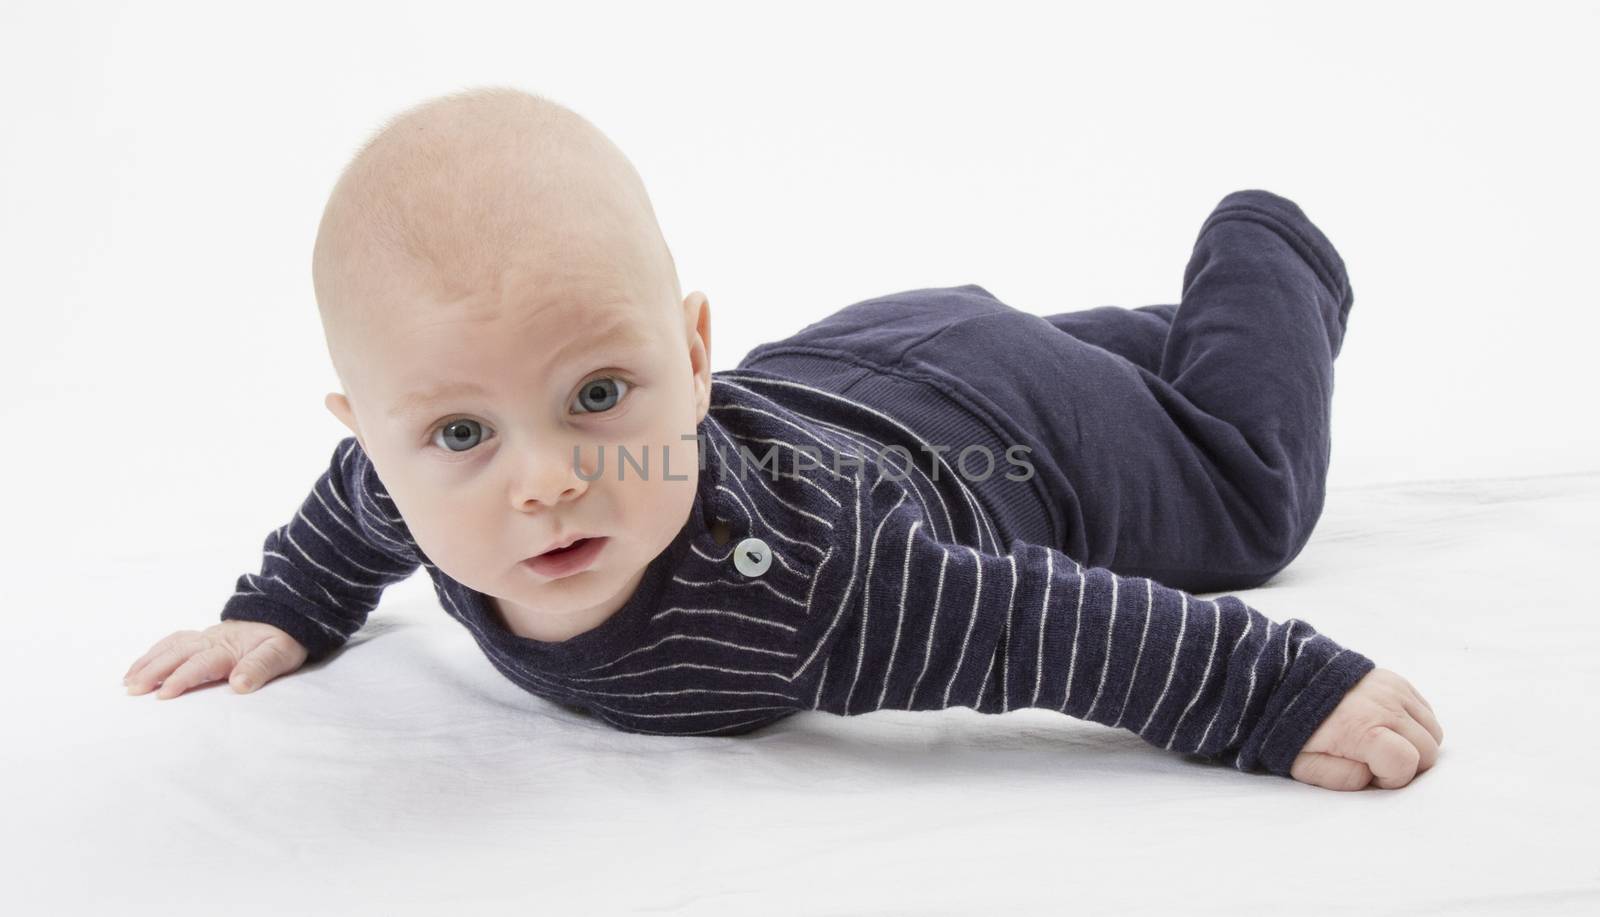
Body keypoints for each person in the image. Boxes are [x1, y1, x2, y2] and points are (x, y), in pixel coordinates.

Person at [121, 86, 1443, 791]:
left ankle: (1264, 246)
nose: (546, 480)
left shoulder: (809, 585)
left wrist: (1275, 693)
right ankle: (1158, 344)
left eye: (600, 393)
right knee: (1084, 364)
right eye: (462, 430)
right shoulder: (405, 489)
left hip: (1017, 439)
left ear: (690, 355)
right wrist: (285, 607)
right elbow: (349, 510)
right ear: (380, 433)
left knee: (1241, 493)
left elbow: (1048, 627)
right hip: (876, 366)